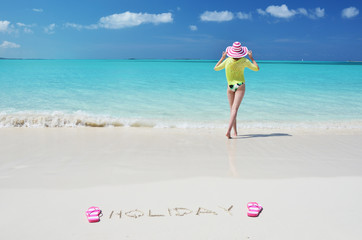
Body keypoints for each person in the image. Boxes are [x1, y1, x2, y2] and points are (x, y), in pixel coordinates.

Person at [214, 42, 259, 139]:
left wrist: (222, 58)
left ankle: (235, 132)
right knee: (235, 110)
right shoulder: (245, 61)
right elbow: (256, 69)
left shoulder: (227, 60)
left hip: (230, 86)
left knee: (232, 110)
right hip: (240, 86)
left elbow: (216, 68)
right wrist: (251, 58)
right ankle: (229, 131)